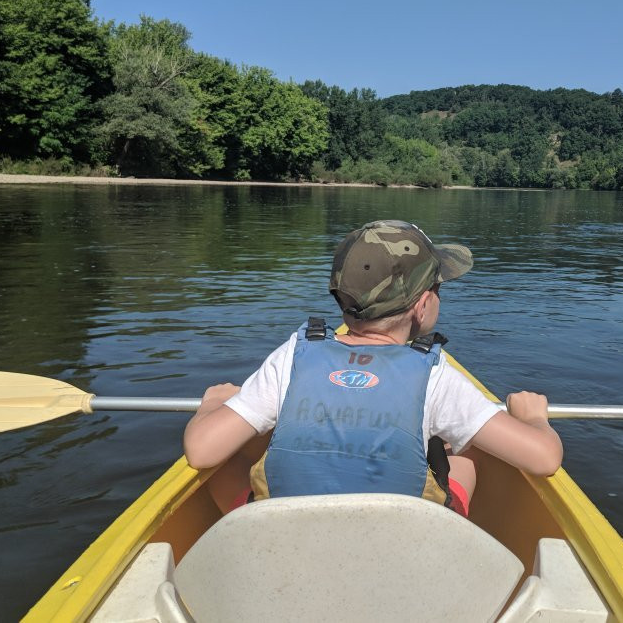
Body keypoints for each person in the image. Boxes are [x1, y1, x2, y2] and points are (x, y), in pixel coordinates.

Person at [183, 219, 562, 518]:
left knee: (226, 460)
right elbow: (544, 459)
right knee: (466, 455)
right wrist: (534, 419)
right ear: (424, 304)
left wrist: (212, 405)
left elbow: (201, 451)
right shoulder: (434, 374)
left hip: (286, 542)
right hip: (400, 550)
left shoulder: (294, 354)